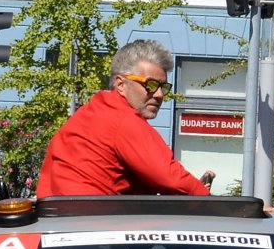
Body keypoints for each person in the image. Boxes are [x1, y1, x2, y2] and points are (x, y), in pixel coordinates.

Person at [36, 40, 218, 197]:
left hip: (63, 223)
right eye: (151, 85)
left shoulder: (92, 112)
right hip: (96, 225)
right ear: (121, 84)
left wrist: (190, 190)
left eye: (164, 87)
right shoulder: (123, 120)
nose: (160, 94)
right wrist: (206, 200)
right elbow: (169, 176)